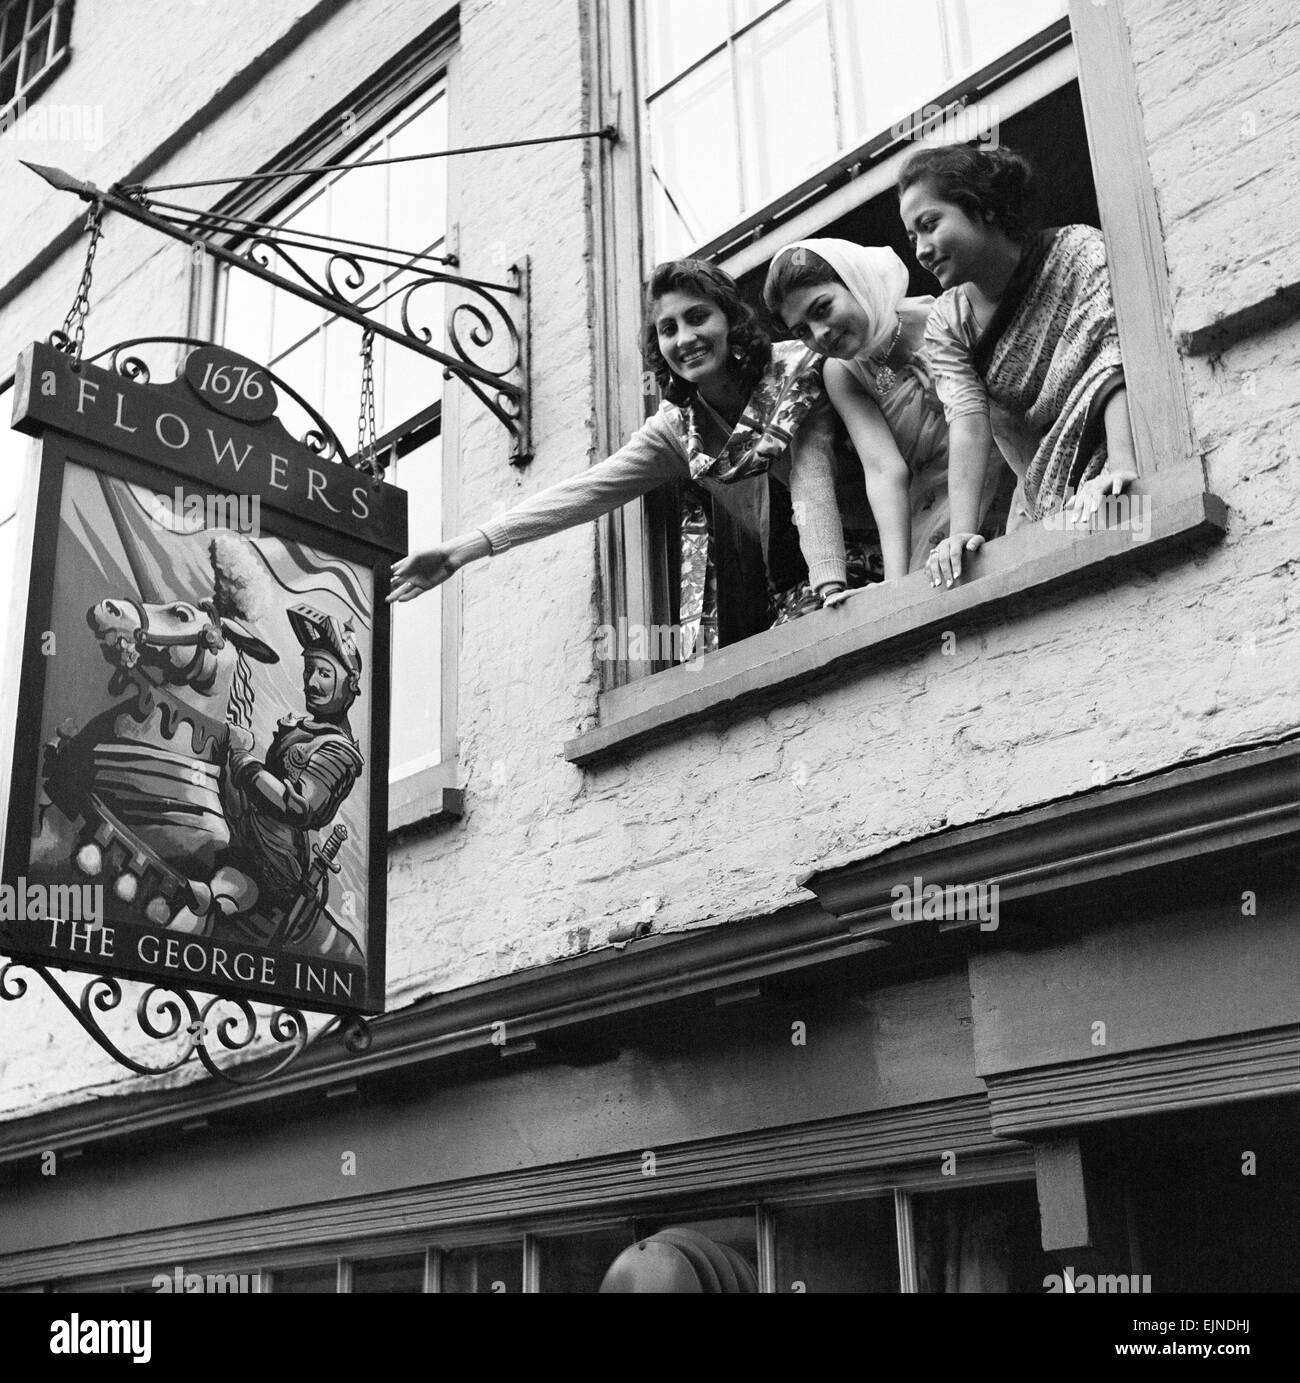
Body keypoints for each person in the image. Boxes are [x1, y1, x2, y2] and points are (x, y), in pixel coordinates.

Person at [388, 259, 852, 633]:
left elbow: (811, 476)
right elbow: (586, 492)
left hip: (865, 567)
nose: (685, 339)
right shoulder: (678, 427)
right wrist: (462, 550)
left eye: (697, 318)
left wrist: (833, 590)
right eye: (668, 329)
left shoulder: (798, 371)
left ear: (730, 319)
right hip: (801, 597)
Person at [897, 143, 1138, 590]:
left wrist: (1121, 467)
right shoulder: (948, 322)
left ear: (983, 208)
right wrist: (961, 535)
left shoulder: (1077, 252)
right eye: (913, 238)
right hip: (1044, 491)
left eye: (929, 226)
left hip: (1125, 448)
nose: (922, 251)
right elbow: (967, 424)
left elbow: (1110, 355)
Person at [763, 237, 1003, 585]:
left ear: (855, 282)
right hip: (934, 517)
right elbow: (883, 472)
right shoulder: (842, 373)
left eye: (822, 308)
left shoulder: (947, 313)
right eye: (802, 330)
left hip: (1004, 478)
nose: (820, 333)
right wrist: (895, 584)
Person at [221, 604, 365, 964]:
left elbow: (299, 805)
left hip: (277, 864)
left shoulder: (338, 750)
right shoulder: (300, 727)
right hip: (246, 833)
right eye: (309, 670)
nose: (312, 682)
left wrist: (243, 762)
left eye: (324, 674)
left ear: (349, 683)